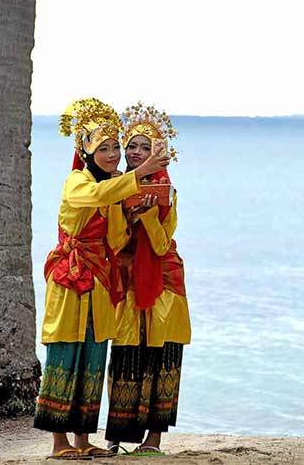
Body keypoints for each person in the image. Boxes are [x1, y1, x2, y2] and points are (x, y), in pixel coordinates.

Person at [33, 98, 170, 459]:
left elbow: (115, 240)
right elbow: (93, 196)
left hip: (99, 281)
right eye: (104, 148)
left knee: (93, 358)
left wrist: (137, 215)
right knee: (65, 355)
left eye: (114, 147)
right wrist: (137, 177)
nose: (112, 154)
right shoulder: (77, 181)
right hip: (70, 277)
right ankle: (59, 443)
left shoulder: (113, 187)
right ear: (86, 151)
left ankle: (82, 440)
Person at [105, 102, 191, 455]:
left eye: (145, 147)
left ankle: (153, 440)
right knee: (123, 357)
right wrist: (126, 217)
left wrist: (149, 216)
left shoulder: (168, 192)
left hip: (164, 285)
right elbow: (112, 242)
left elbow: (160, 243)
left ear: (158, 152)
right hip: (126, 281)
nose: (136, 153)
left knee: (161, 360)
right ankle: (115, 437)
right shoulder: (115, 187)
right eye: (132, 146)